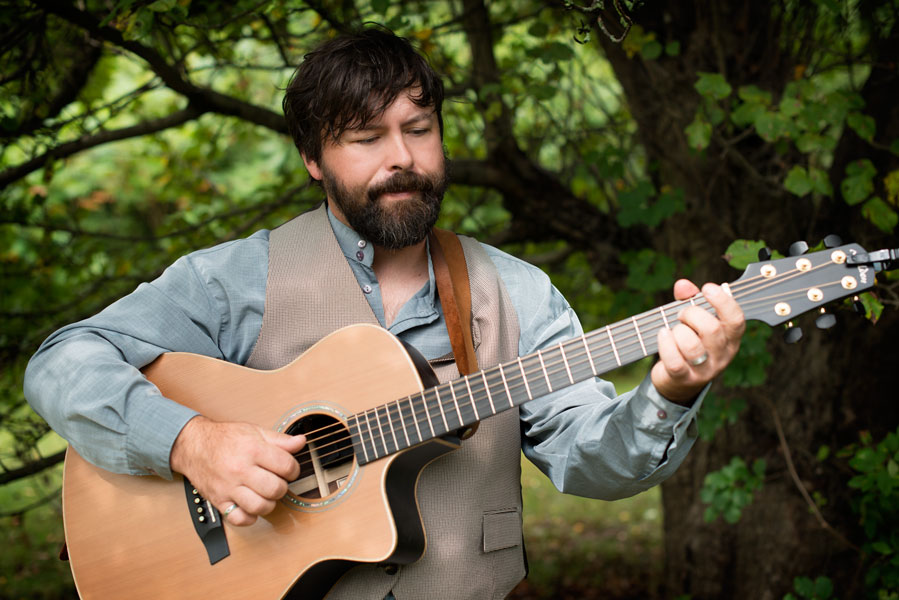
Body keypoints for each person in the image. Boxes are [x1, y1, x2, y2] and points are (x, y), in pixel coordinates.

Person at [24, 28, 744, 599]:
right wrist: (190, 442)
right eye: (365, 138)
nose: (401, 158)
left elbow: (593, 459)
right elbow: (62, 363)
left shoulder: (516, 293)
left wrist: (670, 390)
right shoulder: (234, 281)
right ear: (313, 157)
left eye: (418, 128)